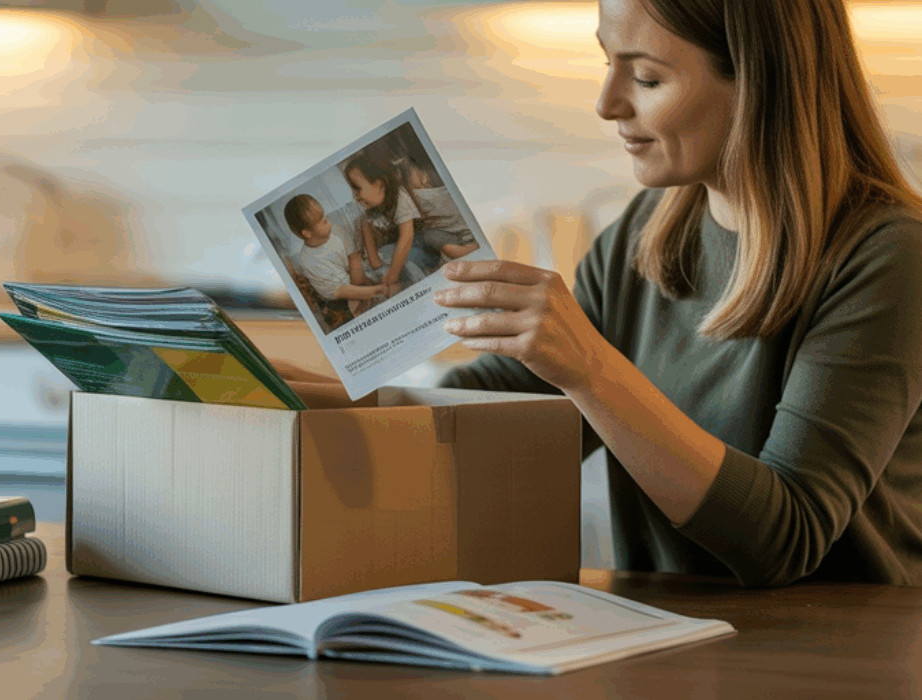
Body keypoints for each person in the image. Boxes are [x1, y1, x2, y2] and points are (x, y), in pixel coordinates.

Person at [434, 0, 922, 587]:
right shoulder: (644, 234)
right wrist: (343, 396)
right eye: (608, 63)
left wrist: (593, 371)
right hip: (663, 631)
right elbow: (505, 411)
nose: (607, 103)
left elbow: (786, 538)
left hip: (838, 640)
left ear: (759, 82)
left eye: (646, 78)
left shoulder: (890, 255)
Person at [283, 193, 392, 317]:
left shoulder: (333, 232)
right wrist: (376, 290)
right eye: (323, 221)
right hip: (348, 294)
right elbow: (343, 290)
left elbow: (355, 260)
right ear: (307, 233)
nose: (328, 221)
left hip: (360, 274)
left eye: (325, 217)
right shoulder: (310, 262)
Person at [343, 154, 439, 289]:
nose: (355, 196)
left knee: (402, 262)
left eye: (357, 189)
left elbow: (406, 236)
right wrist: (374, 261)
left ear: (379, 185)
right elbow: (366, 225)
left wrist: (393, 274)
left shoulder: (401, 196)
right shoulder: (373, 207)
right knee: (386, 253)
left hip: (428, 243)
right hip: (409, 244)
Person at [397, 157, 481, 262]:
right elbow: (458, 253)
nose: (426, 187)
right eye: (422, 189)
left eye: (427, 184)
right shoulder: (433, 234)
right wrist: (479, 244)